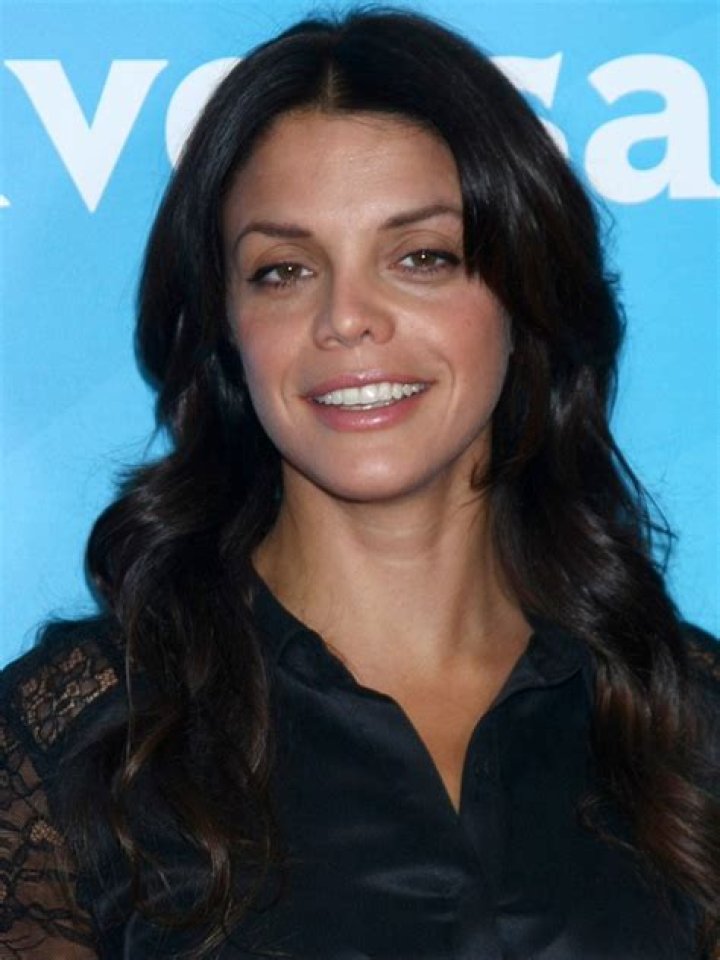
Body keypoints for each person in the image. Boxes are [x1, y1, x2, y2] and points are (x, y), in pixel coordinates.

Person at [0, 9, 717, 959]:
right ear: (225, 326)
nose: (346, 318)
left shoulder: (683, 719)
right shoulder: (84, 744)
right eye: (284, 270)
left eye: (422, 257)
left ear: (524, 294)